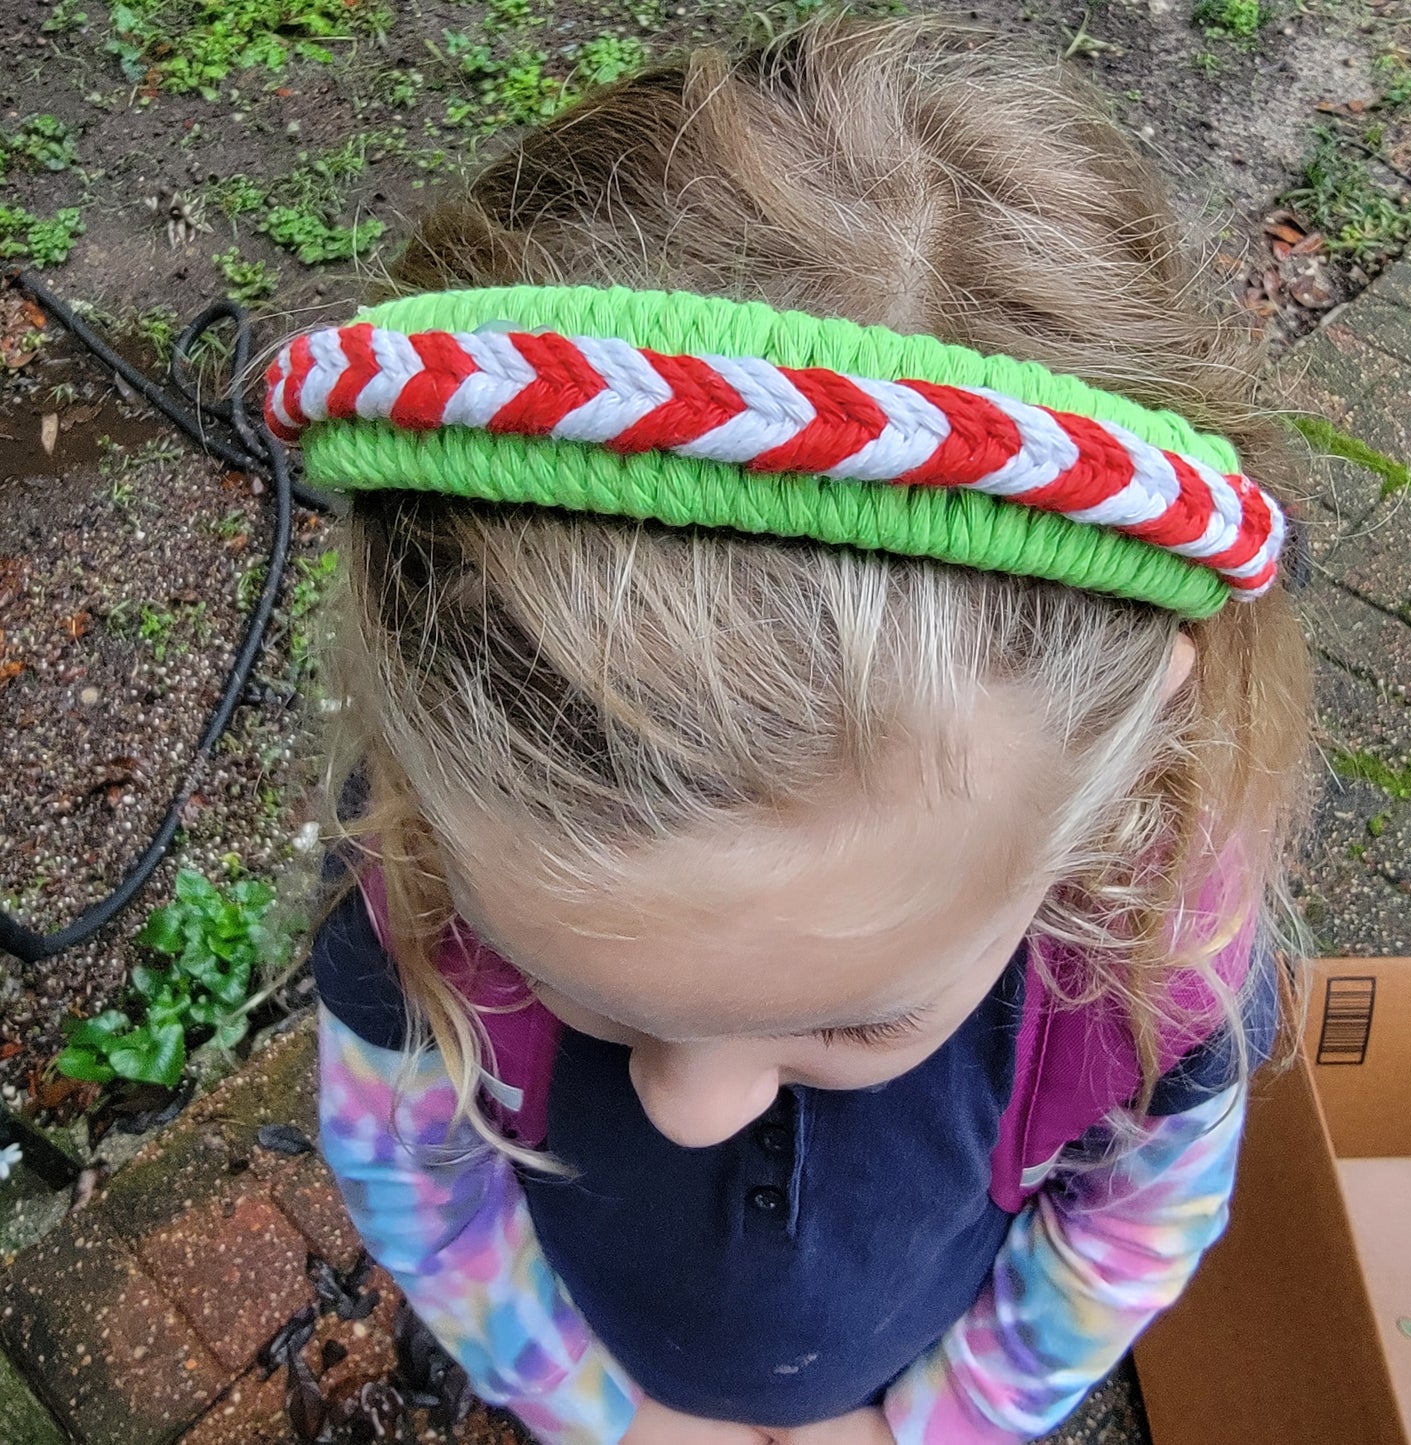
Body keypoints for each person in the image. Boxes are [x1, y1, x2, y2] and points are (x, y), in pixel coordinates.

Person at [278, 14, 1315, 1444]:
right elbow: (412, 1170)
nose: (691, 1110)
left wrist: (922, 1428)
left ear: (1121, 770)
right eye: (584, 990)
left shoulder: (1153, 965)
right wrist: (599, 1411)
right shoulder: (422, 865)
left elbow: (1129, 1230)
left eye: (847, 1015)